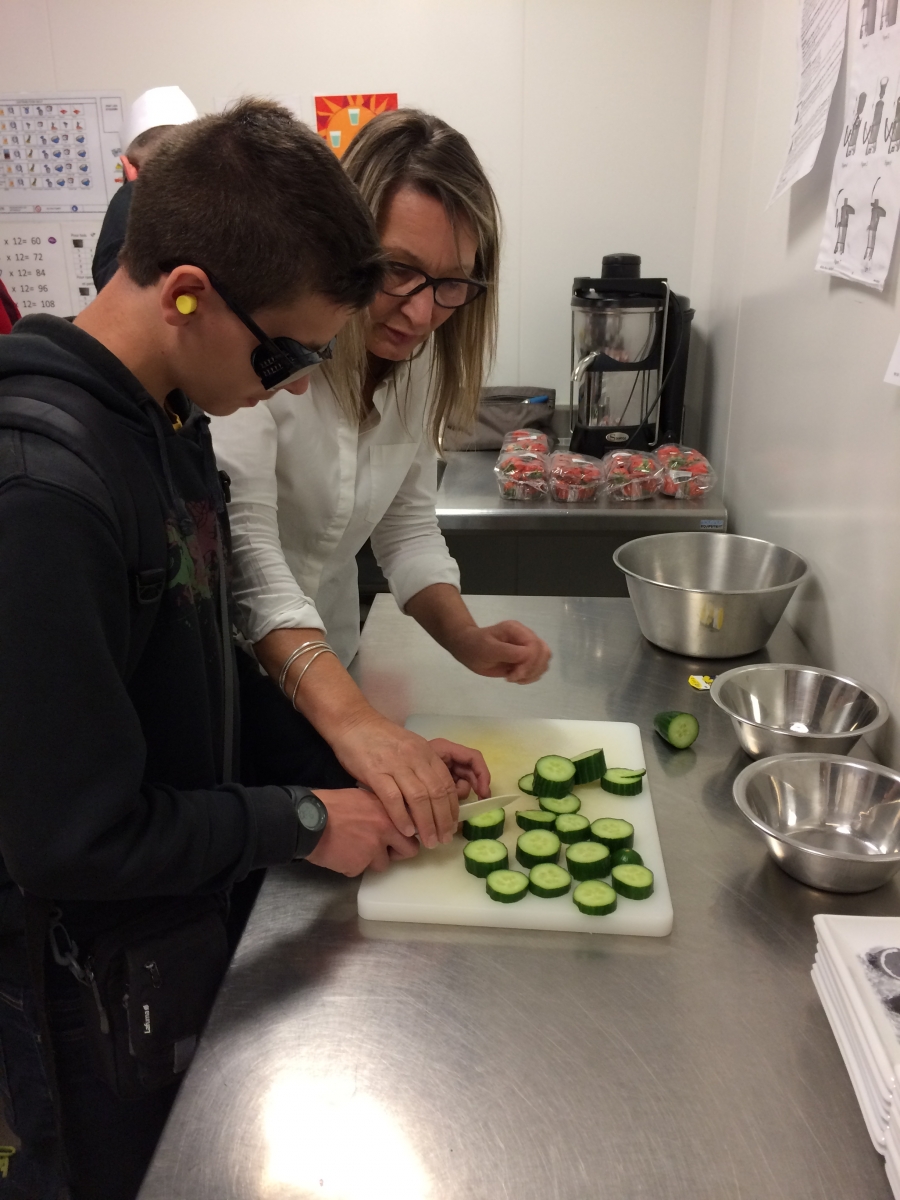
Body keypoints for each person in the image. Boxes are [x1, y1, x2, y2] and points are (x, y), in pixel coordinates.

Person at [0, 98, 488, 1200]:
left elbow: (208, 678)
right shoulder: (42, 497)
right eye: (288, 352)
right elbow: (72, 839)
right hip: (69, 977)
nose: (304, 383)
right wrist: (305, 819)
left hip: (165, 922)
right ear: (186, 296)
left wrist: (355, 758)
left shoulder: (167, 429)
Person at [211, 109, 550, 846]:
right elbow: (248, 561)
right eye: (400, 271)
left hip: (330, 664)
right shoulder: (270, 354)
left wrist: (464, 637)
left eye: (452, 283)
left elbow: (404, 520)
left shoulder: (420, 360)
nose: (423, 312)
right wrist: (360, 724)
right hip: (231, 681)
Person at [92, 86, 198, 291]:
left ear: (128, 167)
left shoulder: (129, 199)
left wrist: (134, 192)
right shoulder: (239, 203)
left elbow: (114, 291)